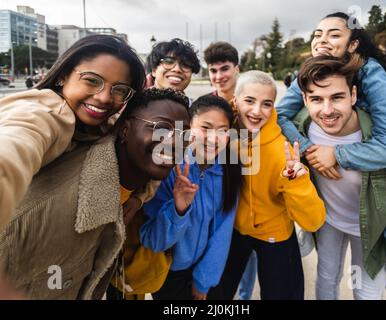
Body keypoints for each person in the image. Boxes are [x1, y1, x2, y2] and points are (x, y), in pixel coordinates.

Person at [0, 87, 190, 299]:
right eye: (161, 128)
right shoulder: (62, 200)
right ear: (125, 130)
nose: (175, 142)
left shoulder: (137, 185)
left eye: (184, 134)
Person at [276, 12, 386, 300]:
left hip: (374, 202)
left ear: (353, 45)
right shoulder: (311, 74)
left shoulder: (369, 71)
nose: (322, 39)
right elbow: (279, 114)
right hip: (332, 216)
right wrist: (307, 148)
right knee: (328, 275)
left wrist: (337, 154)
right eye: (317, 34)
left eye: (334, 34)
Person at [0, 34, 146, 230]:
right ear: (63, 75)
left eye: (119, 90)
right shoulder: (49, 111)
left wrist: (139, 198)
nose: (104, 98)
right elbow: (17, 142)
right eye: (92, 81)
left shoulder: (106, 125)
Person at [220, 70, 326, 300]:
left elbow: (314, 220)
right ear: (236, 101)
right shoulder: (223, 135)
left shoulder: (283, 151)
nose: (257, 111)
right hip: (233, 230)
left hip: (275, 234)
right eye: (249, 100)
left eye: (266, 104)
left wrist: (297, 182)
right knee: (216, 292)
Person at [140, 94, 241, 300]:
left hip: (206, 273)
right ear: (187, 128)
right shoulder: (169, 169)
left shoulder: (229, 170)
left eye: (222, 131)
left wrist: (203, 281)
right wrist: (178, 210)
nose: (213, 139)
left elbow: (223, 231)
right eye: (205, 128)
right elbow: (153, 240)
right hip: (169, 274)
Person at [204, 41, 257, 297]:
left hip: (250, 180)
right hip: (219, 182)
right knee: (221, 246)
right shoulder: (206, 104)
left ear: (237, 68)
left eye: (224, 68)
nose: (218, 76)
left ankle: (245, 296)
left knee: (248, 249)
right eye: (213, 71)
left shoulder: (252, 102)